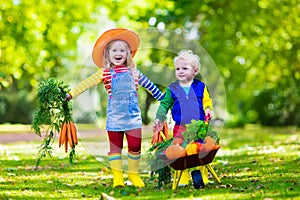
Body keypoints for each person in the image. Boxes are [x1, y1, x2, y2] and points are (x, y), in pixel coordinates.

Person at [66, 28, 164, 188]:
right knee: (115, 148)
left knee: (135, 147)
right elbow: (86, 84)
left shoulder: (134, 72)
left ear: (128, 54)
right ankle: (117, 178)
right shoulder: (104, 73)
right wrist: (71, 94)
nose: (118, 53)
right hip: (114, 119)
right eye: (114, 50)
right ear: (108, 54)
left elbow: (152, 87)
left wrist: (165, 100)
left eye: (123, 50)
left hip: (133, 119)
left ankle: (133, 175)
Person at [153, 49, 213, 187]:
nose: (180, 71)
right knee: (180, 150)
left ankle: (202, 173)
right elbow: (165, 104)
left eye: (184, 68)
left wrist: (208, 109)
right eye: (177, 69)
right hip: (180, 126)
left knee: (201, 150)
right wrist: (159, 117)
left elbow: (207, 101)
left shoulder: (201, 87)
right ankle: (183, 176)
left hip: (199, 126)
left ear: (195, 71)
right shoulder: (172, 88)